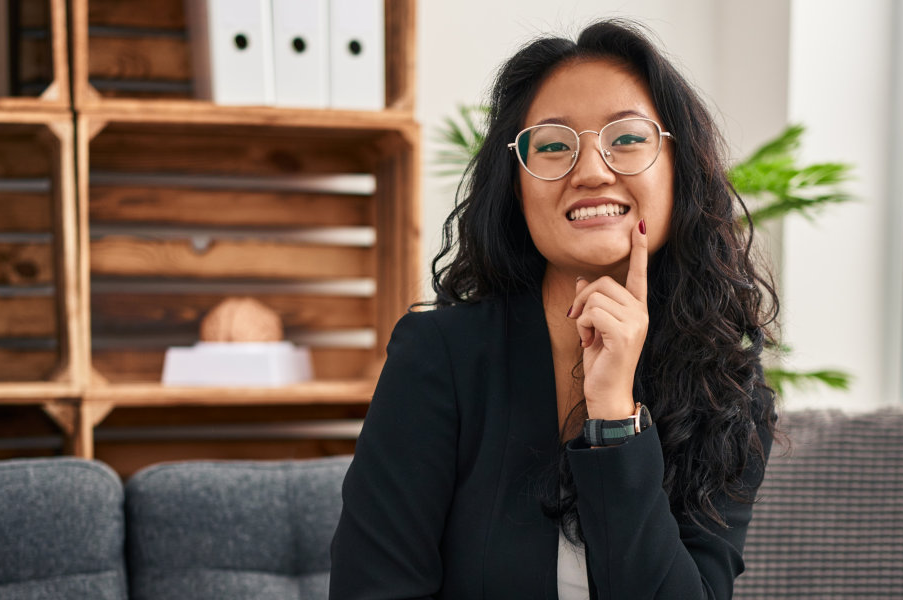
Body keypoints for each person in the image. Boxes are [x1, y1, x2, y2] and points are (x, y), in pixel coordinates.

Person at [330, 18, 781, 600]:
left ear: (681, 170)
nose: (591, 171)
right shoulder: (440, 357)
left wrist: (616, 418)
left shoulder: (730, 395)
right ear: (517, 189)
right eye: (552, 146)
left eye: (626, 138)